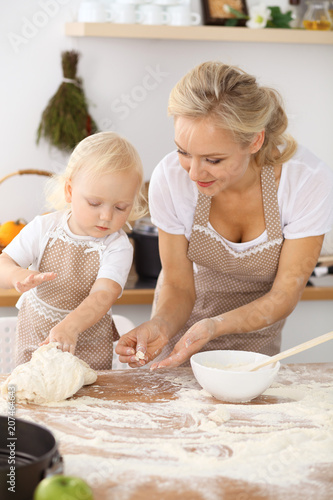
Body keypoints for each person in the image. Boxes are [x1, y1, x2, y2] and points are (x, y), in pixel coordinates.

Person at [116, 61, 333, 369]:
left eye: (214, 160)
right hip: (179, 335)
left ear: (255, 141)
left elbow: (286, 292)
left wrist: (214, 325)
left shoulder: (305, 181)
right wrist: (162, 325)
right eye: (184, 152)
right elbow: (178, 285)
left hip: (255, 341)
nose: (194, 172)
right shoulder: (170, 178)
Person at [0, 131, 146, 370]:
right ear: (70, 190)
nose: (106, 216)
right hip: (35, 338)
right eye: (95, 203)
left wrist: (71, 326)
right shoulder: (43, 228)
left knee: (86, 403)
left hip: (87, 347)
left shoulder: (117, 246)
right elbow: (3, 264)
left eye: (121, 207)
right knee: (27, 401)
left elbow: (103, 295)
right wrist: (17, 276)